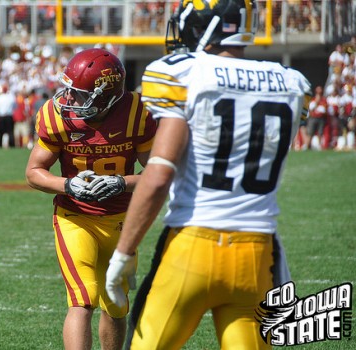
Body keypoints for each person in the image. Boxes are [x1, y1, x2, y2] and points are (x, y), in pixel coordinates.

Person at [105, 1, 312, 349]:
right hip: (258, 254)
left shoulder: (183, 73)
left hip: (192, 246)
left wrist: (123, 255)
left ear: (204, 27)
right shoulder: (291, 82)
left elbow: (157, 176)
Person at [25, 48, 157, 350]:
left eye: (80, 95)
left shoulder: (137, 114)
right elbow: (34, 172)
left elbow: (159, 173)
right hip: (75, 217)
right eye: (69, 91)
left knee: (116, 303)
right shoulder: (55, 116)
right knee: (82, 299)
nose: (69, 100)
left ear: (107, 96)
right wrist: (68, 185)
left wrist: (123, 182)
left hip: (123, 219)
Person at [306, 85, 328, 150]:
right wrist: (316, 102)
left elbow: (324, 110)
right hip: (313, 118)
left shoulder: (324, 100)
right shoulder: (312, 100)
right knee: (310, 132)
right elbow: (311, 108)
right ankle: (307, 145)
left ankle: (319, 145)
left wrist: (318, 107)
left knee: (320, 132)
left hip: (321, 118)